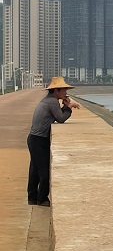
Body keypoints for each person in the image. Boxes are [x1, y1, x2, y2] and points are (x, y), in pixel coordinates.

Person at [27, 76, 80, 206]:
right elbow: (61, 118)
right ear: (56, 91)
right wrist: (68, 107)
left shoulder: (49, 100)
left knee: (35, 170)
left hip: (35, 139)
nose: (65, 93)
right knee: (43, 172)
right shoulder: (52, 102)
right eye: (64, 90)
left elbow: (56, 115)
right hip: (38, 140)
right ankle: (42, 199)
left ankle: (32, 197)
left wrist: (65, 106)